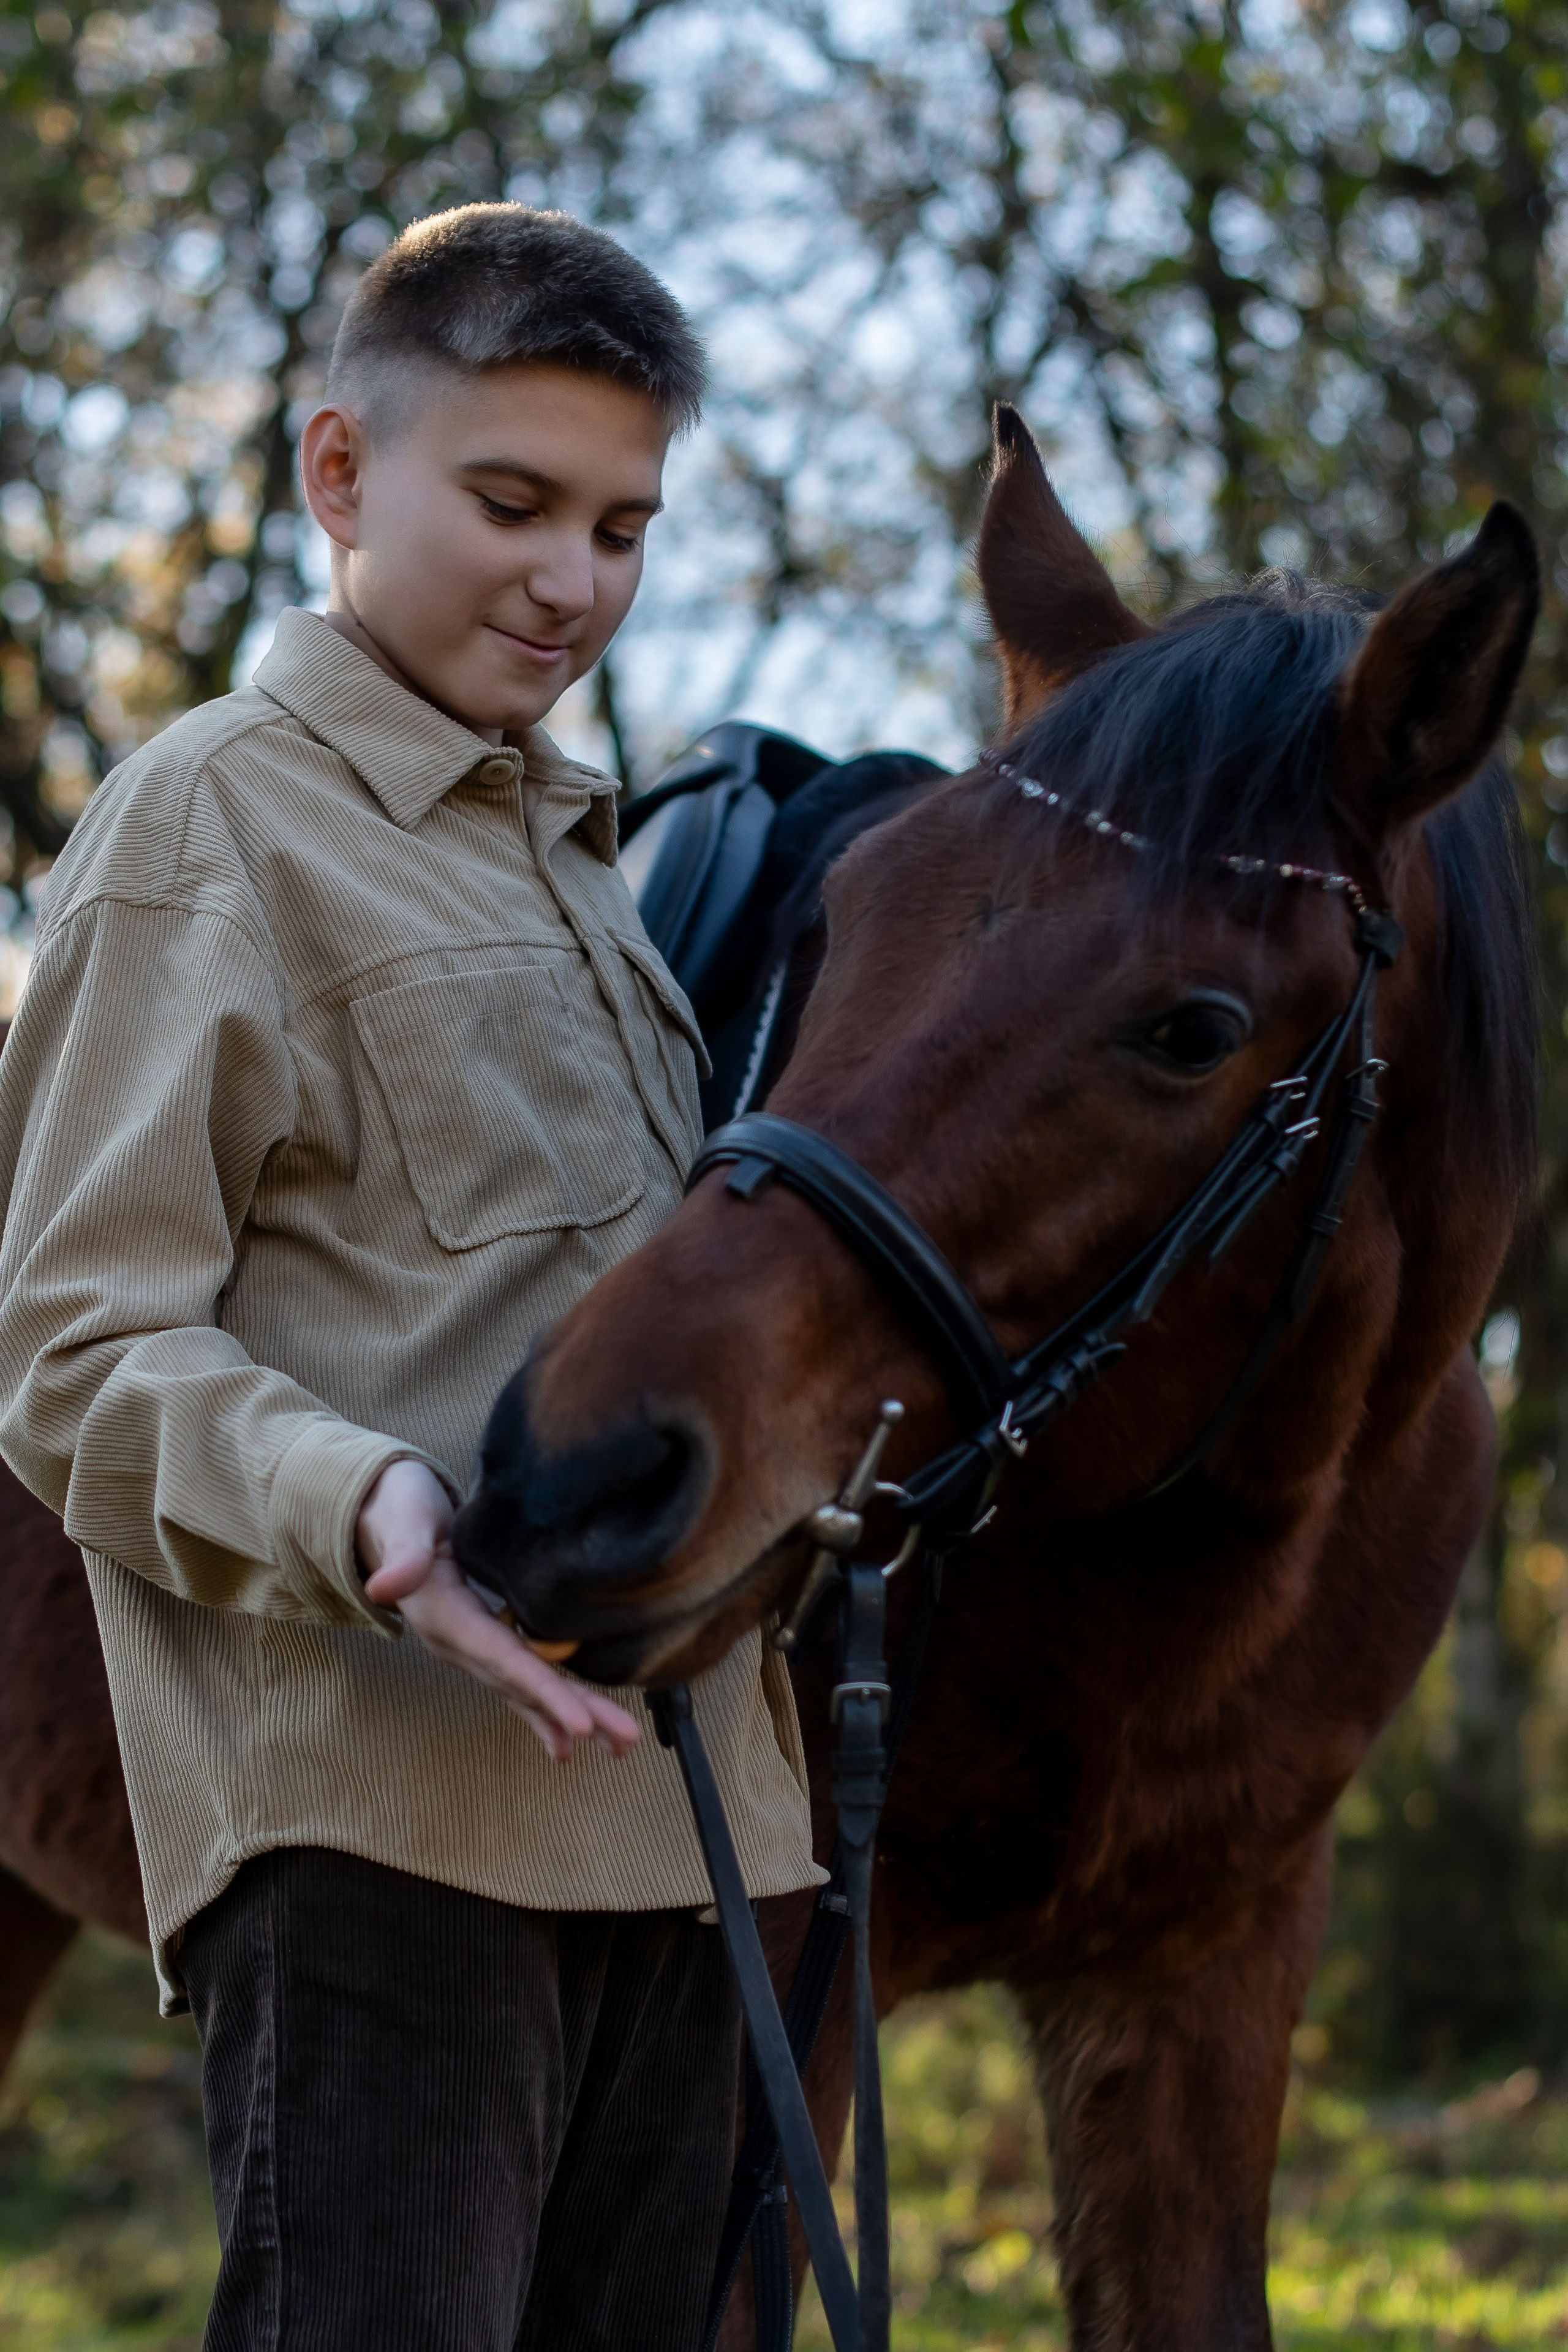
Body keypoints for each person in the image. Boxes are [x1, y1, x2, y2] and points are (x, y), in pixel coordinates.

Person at [0, 203, 820, 2351]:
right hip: (387, 1838)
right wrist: (359, 1505)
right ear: (340, 476)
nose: (577, 583)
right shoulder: (208, 827)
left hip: (694, 1838)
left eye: (627, 527)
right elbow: (70, 1348)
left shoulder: (589, 871)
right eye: (517, 503)